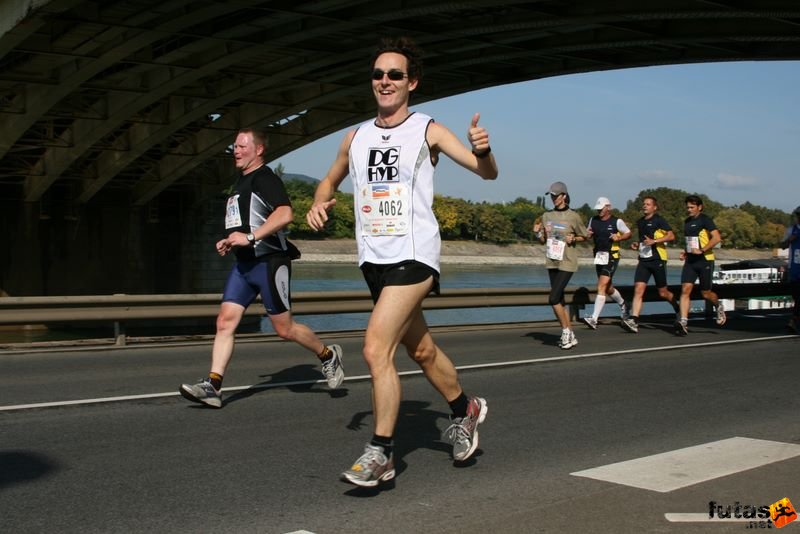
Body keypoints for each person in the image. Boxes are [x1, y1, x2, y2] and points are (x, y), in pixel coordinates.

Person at [305, 37, 496, 487]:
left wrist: (484, 149)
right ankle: (464, 408)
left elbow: (485, 172)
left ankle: (382, 454)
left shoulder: (428, 129)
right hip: (373, 258)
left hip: (415, 255)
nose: (385, 81)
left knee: (375, 348)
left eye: (395, 74)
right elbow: (329, 181)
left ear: (412, 82)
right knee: (421, 350)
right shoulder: (355, 137)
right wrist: (320, 201)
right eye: (378, 74)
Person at [179, 128, 344, 408]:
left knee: (284, 329)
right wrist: (229, 240)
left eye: (243, 146)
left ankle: (328, 355)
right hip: (244, 263)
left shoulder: (265, 178)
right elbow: (244, 223)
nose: (236, 150)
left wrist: (252, 237)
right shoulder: (239, 183)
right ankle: (213, 386)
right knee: (224, 322)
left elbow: (285, 213)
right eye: (234, 146)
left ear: (259, 150)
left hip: (269, 262)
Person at [532, 181, 589, 349]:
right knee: (560, 300)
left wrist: (574, 238)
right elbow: (543, 240)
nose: (553, 199)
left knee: (553, 298)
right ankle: (570, 334)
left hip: (567, 261)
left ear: (564, 196)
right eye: (551, 196)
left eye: (556, 196)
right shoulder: (546, 216)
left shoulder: (573, 216)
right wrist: (537, 233)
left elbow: (585, 236)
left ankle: (565, 331)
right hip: (552, 261)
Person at [622, 196, 681, 333]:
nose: (645, 206)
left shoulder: (659, 220)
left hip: (658, 259)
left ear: (654, 207)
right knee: (638, 289)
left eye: (648, 204)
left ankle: (678, 309)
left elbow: (671, 236)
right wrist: (637, 244)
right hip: (643, 259)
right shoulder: (640, 222)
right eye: (644, 204)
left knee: (663, 292)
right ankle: (634, 320)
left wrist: (655, 241)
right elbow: (644, 240)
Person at [677, 194, 726, 335]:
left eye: (692, 207)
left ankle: (718, 306)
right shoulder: (687, 222)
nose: (689, 210)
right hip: (691, 261)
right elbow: (690, 242)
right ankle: (684, 321)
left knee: (705, 293)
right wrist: (685, 252)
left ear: (700, 207)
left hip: (705, 259)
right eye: (687, 207)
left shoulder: (705, 220)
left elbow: (717, 238)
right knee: (685, 289)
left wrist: (702, 250)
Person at [582, 197, 632, 329]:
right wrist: (587, 234)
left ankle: (594, 319)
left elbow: (628, 233)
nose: (599, 211)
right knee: (608, 287)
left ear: (608, 207)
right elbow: (588, 235)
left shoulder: (617, 221)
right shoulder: (593, 220)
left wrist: (619, 237)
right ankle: (624, 304)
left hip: (612, 255)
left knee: (601, 285)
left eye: (601, 208)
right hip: (599, 256)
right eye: (597, 209)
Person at [779, 205, 800, 333]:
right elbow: (782, 246)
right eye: (798, 216)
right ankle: (794, 320)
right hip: (795, 270)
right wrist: (790, 240)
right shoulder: (791, 230)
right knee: (798, 297)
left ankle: (793, 321)